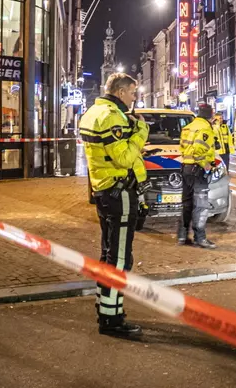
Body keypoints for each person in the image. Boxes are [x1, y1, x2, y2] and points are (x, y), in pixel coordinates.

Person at [79, 72, 149, 338]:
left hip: (104, 190)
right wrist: (141, 131)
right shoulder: (111, 117)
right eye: (132, 93)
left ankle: (106, 306)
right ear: (120, 92)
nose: (134, 98)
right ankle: (111, 319)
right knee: (119, 259)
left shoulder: (92, 113)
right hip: (119, 192)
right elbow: (123, 157)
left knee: (108, 254)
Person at [178, 104, 217, 249]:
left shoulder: (188, 127)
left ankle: (182, 235)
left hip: (186, 167)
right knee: (201, 206)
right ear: (210, 116)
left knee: (187, 203)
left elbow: (183, 147)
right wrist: (206, 165)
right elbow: (198, 150)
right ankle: (200, 238)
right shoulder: (206, 128)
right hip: (198, 169)